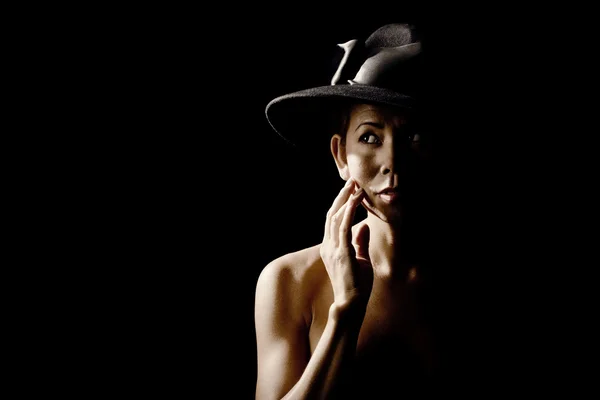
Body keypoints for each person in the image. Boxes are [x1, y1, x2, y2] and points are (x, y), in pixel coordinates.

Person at [254, 23, 439, 399]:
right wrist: (345, 313)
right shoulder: (288, 281)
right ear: (341, 155)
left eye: (414, 137)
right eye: (370, 137)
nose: (392, 161)